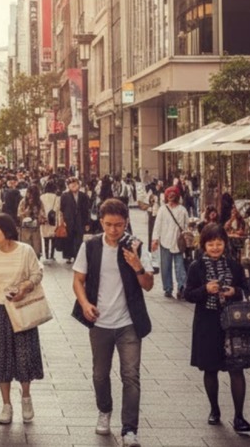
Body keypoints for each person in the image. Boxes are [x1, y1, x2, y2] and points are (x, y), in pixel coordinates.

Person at [72, 198, 154, 447]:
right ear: (101, 222)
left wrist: (137, 266)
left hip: (128, 322)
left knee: (131, 375)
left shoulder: (136, 246)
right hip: (100, 321)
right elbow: (78, 280)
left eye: (118, 225)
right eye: (108, 224)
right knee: (100, 374)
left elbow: (148, 285)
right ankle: (104, 410)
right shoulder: (91, 246)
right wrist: (85, 304)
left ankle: (130, 429)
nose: (113, 230)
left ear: (126, 223)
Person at [182, 224, 250, 433]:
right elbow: (188, 294)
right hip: (207, 322)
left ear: (225, 243)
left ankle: (239, 416)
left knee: (236, 368)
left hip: (232, 324)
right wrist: (205, 289)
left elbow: (247, 290)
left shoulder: (234, 265)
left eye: (219, 243)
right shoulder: (197, 267)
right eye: (210, 244)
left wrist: (235, 291)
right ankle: (214, 410)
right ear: (204, 245)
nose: (215, 247)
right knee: (210, 368)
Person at [0, 213, 44, 425]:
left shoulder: (25, 251)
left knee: (24, 357)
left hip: (21, 308)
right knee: (1, 360)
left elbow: (36, 274)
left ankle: (26, 397)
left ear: (7, 231)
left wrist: (24, 287)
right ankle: (6, 405)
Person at [151, 185, 188, 299]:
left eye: (173, 195)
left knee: (179, 266)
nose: (171, 197)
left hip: (178, 243)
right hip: (165, 241)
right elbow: (157, 225)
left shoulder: (182, 210)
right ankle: (168, 288)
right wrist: (155, 239)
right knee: (165, 267)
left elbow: (186, 226)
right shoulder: (162, 209)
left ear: (177, 196)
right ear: (167, 197)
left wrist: (186, 238)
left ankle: (182, 287)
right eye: (169, 195)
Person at [60, 177, 91, 263]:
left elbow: (87, 210)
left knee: (79, 239)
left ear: (79, 185)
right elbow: (61, 210)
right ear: (68, 186)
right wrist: (62, 221)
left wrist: (87, 222)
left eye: (75, 184)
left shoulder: (83, 196)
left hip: (80, 220)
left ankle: (77, 255)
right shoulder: (64, 196)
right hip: (68, 220)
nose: (73, 185)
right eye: (71, 184)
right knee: (69, 238)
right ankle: (69, 256)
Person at [17, 184, 45, 260]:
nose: (31, 196)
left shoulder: (39, 202)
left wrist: (40, 217)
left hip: (35, 228)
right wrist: (26, 212)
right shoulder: (23, 201)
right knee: (26, 249)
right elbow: (19, 214)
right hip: (25, 229)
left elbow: (43, 214)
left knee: (36, 250)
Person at [40, 181, 60, 260]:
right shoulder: (56, 197)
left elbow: (40, 208)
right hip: (53, 219)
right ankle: (52, 255)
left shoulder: (42, 197)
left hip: (44, 219)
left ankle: (46, 255)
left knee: (45, 238)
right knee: (53, 237)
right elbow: (57, 208)